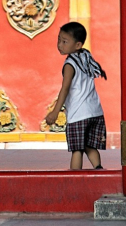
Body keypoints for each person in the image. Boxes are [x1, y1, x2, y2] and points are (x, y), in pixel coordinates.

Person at [45, 21, 107, 170]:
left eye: (65, 41)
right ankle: (98, 169)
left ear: (77, 45)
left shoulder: (69, 64)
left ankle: (75, 177)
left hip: (78, 114)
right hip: (95, 112)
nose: (60, 44)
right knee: (90, 146)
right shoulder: (86, 56)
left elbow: (65, 89)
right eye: (59, 40)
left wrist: (55, 112)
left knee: (77, 149)